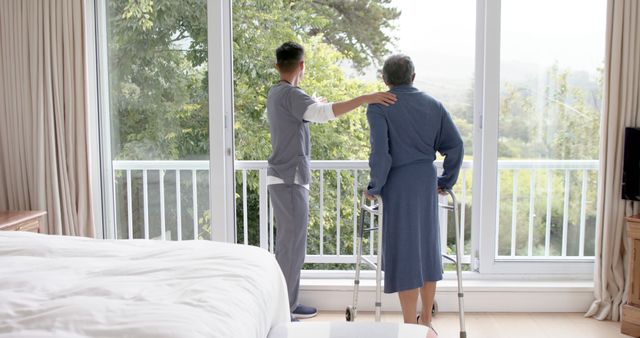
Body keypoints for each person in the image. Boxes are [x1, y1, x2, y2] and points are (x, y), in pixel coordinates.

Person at [267, 41, 397, 320]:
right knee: (291, 249)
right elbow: (323, 114)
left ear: (278, 65)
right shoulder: (289, 94)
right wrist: (365, 98)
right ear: (302, 65)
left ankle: (287, 304)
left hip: (285, 178)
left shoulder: (278, 93)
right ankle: (281, 311)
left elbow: (309, 114)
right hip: (289, 179)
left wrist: (314, 107)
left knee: (291, 247)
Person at [365, 54, 463, 336]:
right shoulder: (434, 105)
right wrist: (446, 181)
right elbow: (455, 146)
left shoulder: (379, 105)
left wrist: (375, 186)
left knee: (406, 253)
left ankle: (410, 327)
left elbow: (380, 154)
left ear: (385, 79)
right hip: (425, 182)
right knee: (427, 250)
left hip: (398, 184)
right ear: (413, 76)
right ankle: (426, 324)